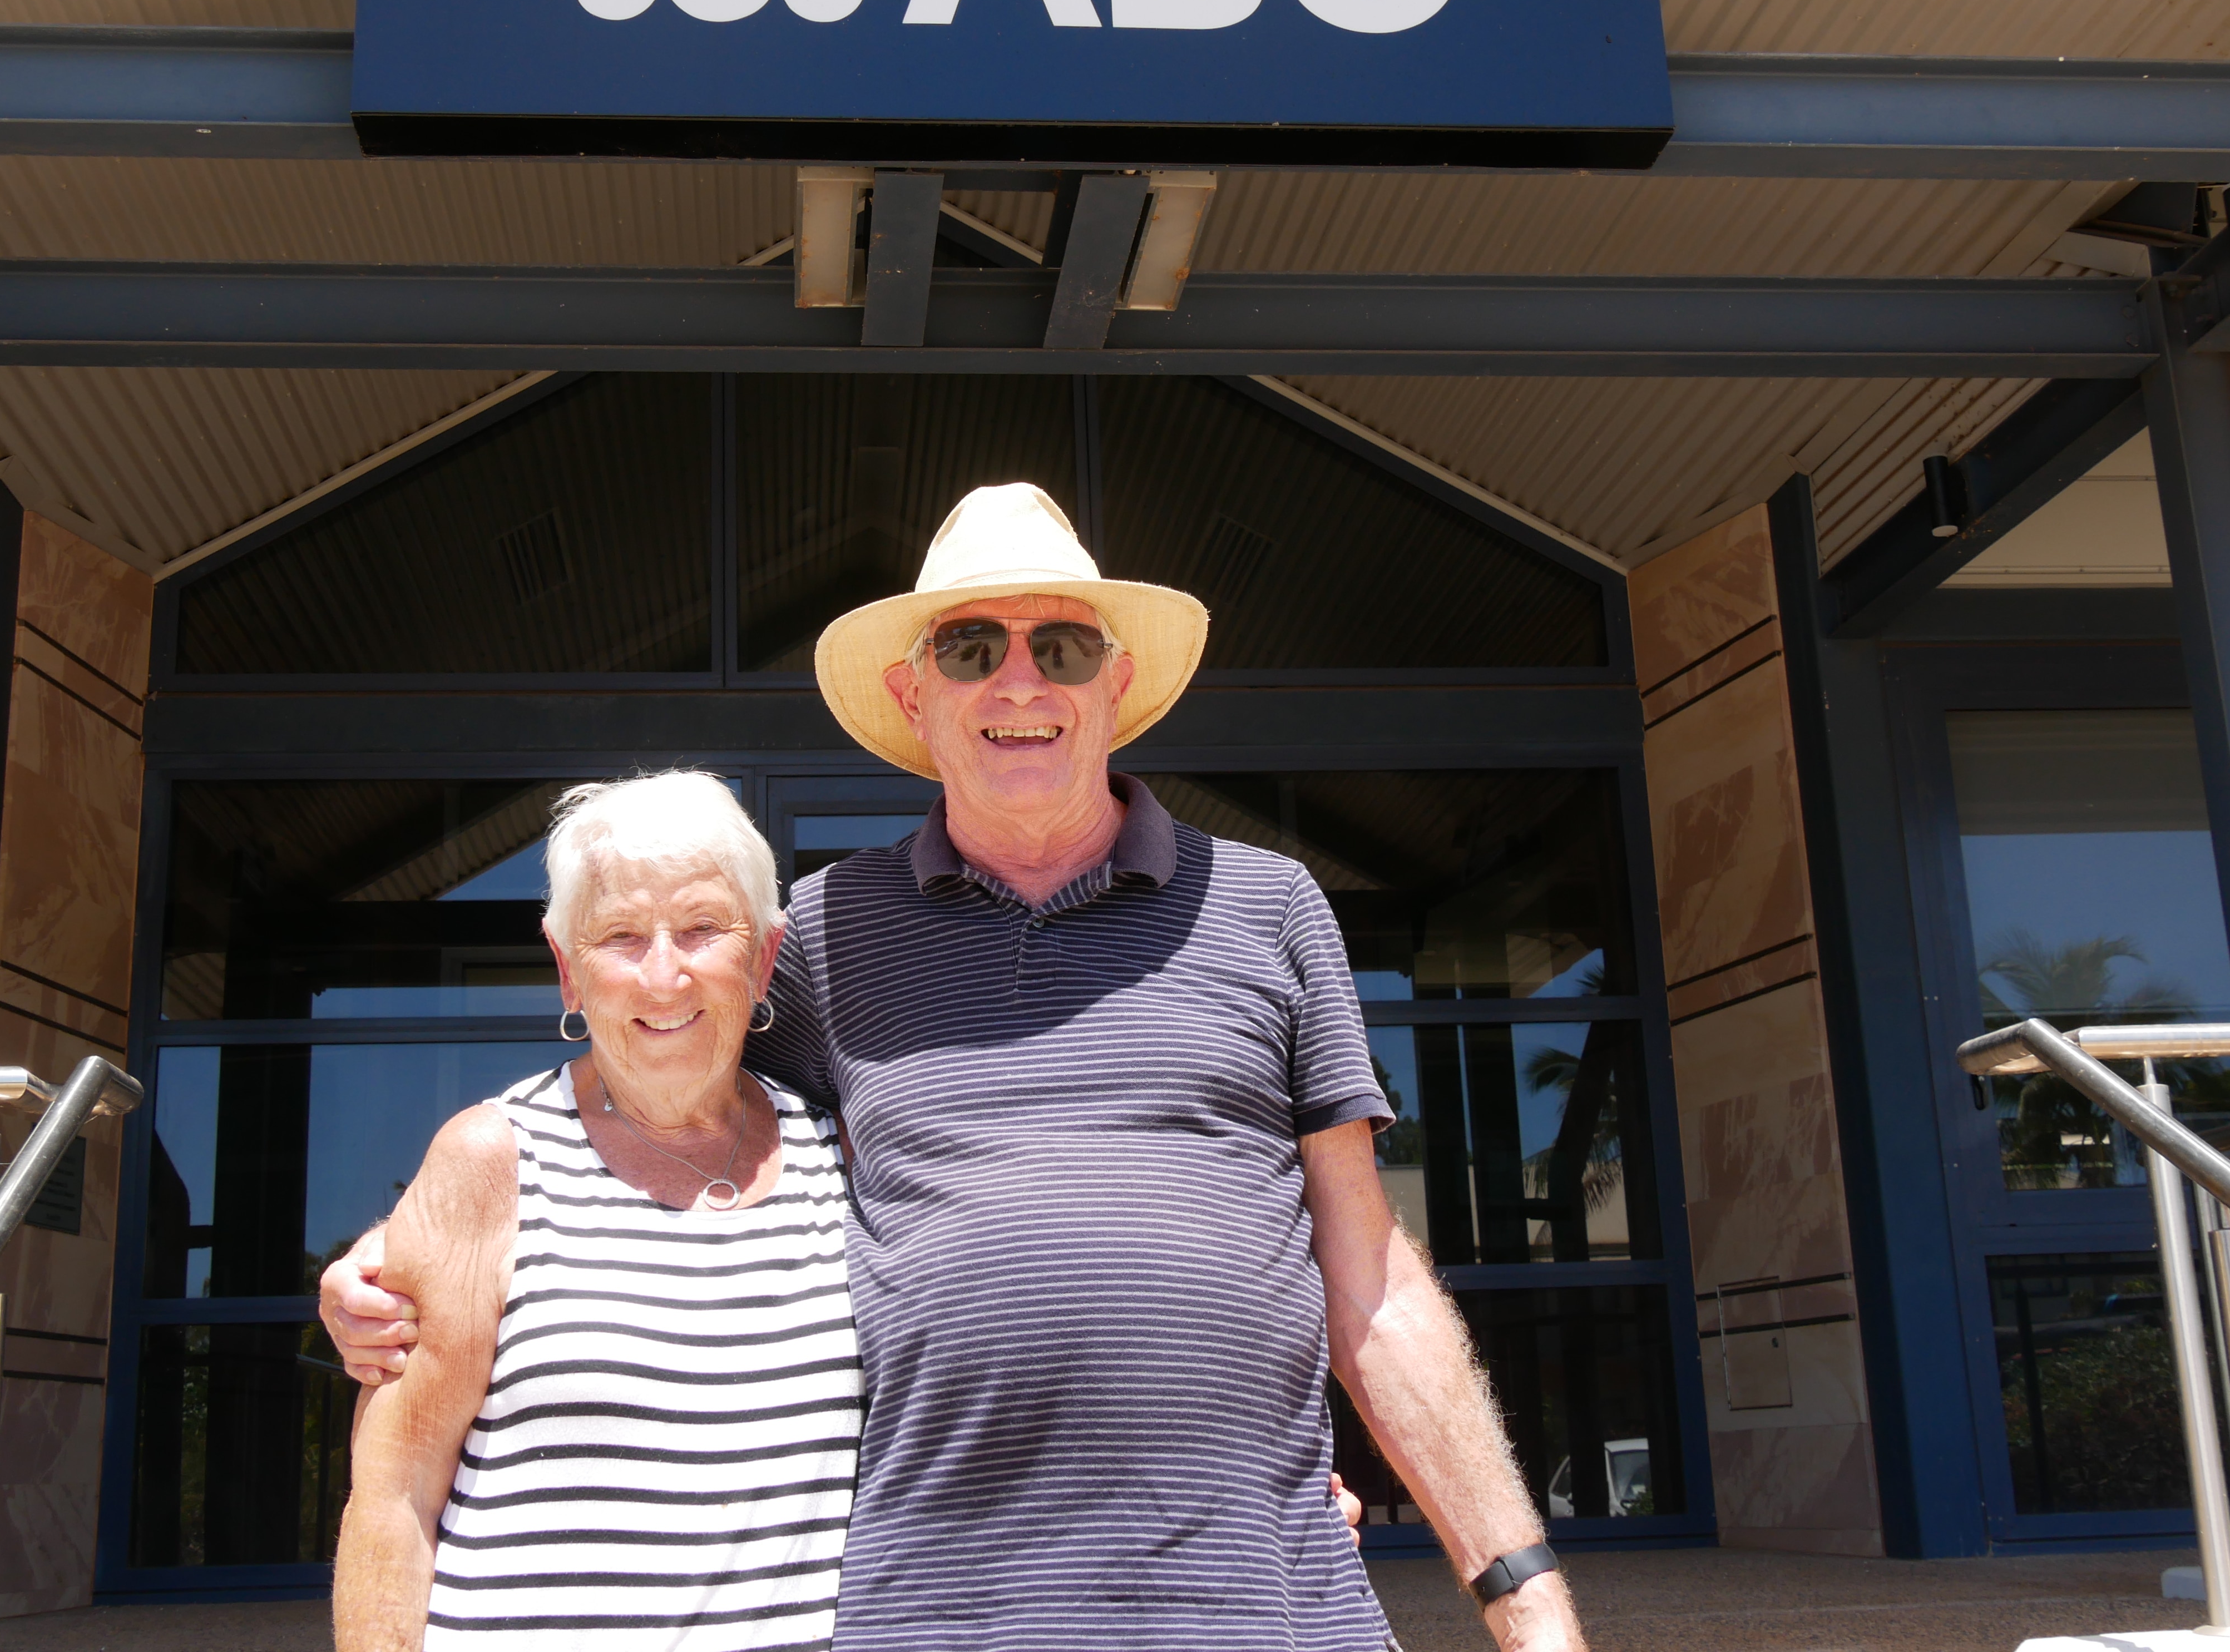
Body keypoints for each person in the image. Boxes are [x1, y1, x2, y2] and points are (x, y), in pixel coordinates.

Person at [329, 484, 1588, 1652]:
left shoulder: (1267, 906)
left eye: (1064, 645)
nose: (1020, 679)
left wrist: (1524, 1597)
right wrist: (408, 1251)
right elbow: (660, 1066)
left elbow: (1371, 1274)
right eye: (971, 647)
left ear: (1118, 681)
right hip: (941, 1610)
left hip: (1257, 1594)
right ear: (916, 694)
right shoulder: (823, 933)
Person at [331, 773, 859, 1652]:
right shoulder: (489, 1162)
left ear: (764, 959)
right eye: (620, 937)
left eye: (701, 929)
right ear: (569, 970)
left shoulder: (837, 1151)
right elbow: (394, 1499)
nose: (663, 974)